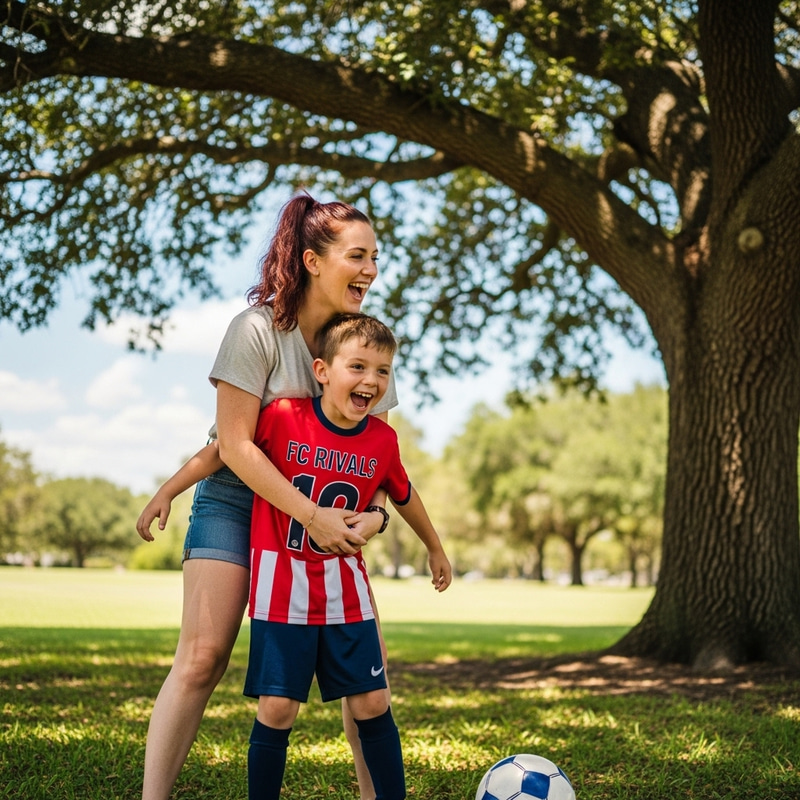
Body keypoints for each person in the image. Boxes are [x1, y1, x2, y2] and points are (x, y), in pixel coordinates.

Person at [136, 194, 402, 800]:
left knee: (365, 674)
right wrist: (309, 515)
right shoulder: (256, 329)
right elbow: (233, 444)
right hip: (238, 496)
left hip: (328, 508)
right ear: (312, 260)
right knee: (202, 657)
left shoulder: (363, 346)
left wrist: (374, 516)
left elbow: (382, 458)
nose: (370, 271)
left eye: (375, 258)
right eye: (357, 256)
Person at [245, 312, 450, 800]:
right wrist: (168, 491)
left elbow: (400, 492)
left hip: (346, 591)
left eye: (382, 371)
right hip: (282, 587)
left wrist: (435, 546)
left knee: (373, 701)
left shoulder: (382, 439)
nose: (372, 381)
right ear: (321, 371)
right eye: (358, 367)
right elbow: (225, 451)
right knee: (277, 710)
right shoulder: (282, 417)